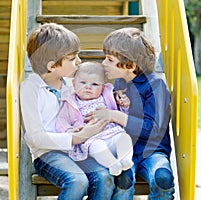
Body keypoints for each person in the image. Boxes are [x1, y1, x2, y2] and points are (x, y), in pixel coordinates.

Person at [19, 23, 116, 200]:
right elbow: (34, 137)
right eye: (72, 58)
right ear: (52, 66)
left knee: (104, 177)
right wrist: (75, 138)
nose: (79, 61)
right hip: (48, 154)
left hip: (78, 150)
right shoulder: (30, 88)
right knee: (77, 181)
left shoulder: (72, 85)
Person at [86, 27, 175, 199]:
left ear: (131, 66)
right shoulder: (119, 83)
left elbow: (154, 129)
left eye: (110, 59)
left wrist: (114, 115)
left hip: (153, 151)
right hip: (125, 150)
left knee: (162, 178)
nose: (104, 63)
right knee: (123, 179)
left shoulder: (156, 86)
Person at [56, 62, 133, 176]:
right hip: (92, 139)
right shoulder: (70, 103)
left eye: (95, 84)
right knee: (96, 147)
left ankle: (125, 159)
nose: (88, 87)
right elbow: (61, 120)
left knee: (124, 137)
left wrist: (124, 105)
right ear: (73, 83)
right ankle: (112, 164)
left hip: (113, 133)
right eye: (83, 82)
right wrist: (68, 131)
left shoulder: (108, 97)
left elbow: (120, 113)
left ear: (102, 87)